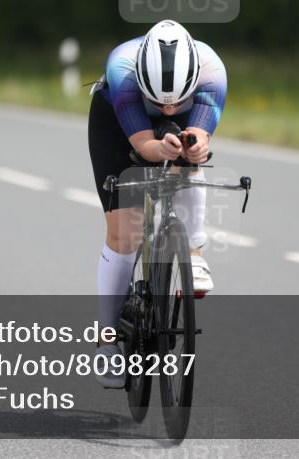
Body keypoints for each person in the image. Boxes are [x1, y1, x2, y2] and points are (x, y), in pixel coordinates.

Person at [88, 19, 227, 387]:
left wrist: (195, 145)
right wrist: (155, 147)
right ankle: (106, 342)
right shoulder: (122, 68)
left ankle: (193, 253)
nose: (168, 111)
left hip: (179, 108)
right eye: (160, 102)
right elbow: (144, 147)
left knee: (189, 160)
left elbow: (200, 132)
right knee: (125, 231)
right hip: (116, 125)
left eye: (177, 102)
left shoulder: (212, 70)